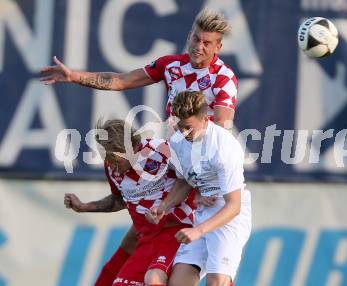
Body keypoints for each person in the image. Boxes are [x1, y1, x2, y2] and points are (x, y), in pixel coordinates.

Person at [44, 8, 239, 285]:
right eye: (196, 38)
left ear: (218, 46)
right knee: (142, 230)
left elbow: (221, 133)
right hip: (179, 163)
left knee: (205, 273)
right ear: (189, 36)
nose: (198, 46)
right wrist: (75, 76)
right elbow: (123, 81)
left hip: (205, 180)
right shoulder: (171, 65)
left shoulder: (223, 79)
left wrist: (200, 184)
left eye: (207, 42)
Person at [65, 119, 197, 286]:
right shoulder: (112, 168)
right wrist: (84, 207)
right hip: (147, 238)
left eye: (117, 159)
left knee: (155, 279)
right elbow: (119, 200)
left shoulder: (161, 150)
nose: (112, 163)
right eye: (108, 156)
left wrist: (164, 206)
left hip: (176, 231)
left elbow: (190, 177)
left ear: (134, 146)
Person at [146, 91, 252, 286]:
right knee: (178, 282)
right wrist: (164, 206)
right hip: (203, 214)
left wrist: (198, 231)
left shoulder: (223, 147)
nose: (184, 132)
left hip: (228, 218)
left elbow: (234, 206)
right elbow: (185, 181)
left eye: (188, 127)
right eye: (180, 127)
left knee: (217, 281)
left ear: (205, 120)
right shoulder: (178, 142)